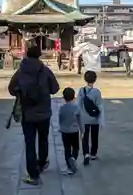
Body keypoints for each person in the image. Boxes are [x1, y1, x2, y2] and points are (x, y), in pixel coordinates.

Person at [8, 45, 60, 186]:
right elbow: (55, 88)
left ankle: (33, 175)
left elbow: (11, 89)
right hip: (44, 112)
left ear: (26, 54)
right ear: (39, 55)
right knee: (43, 138)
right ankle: (42, 163)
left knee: (29, 143)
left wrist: (22, 92)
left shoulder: (20, 72)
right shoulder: (45, 71)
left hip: (27, 112)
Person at [77, 70, 103, 166]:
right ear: (95, 80)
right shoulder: (97, 92)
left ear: (85, 79)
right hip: (94, 119)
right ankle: (93, 153)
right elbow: (99, 105)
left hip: (84, 119)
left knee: (85, 136)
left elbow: (78, 105)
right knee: (94, 136)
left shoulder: (81, 91)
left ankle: (86, 153)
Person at [59, 87, 82, 175]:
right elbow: (80, 119)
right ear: (74, 97)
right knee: (75, 146)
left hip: (65, 131)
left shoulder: (62, 108)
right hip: (74, 130)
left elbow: (60, 118)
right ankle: (74, 159)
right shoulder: (76, 107)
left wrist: (60, 127)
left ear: (64, 97)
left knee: (67, 148)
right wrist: (82, 130)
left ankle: (69, 165)